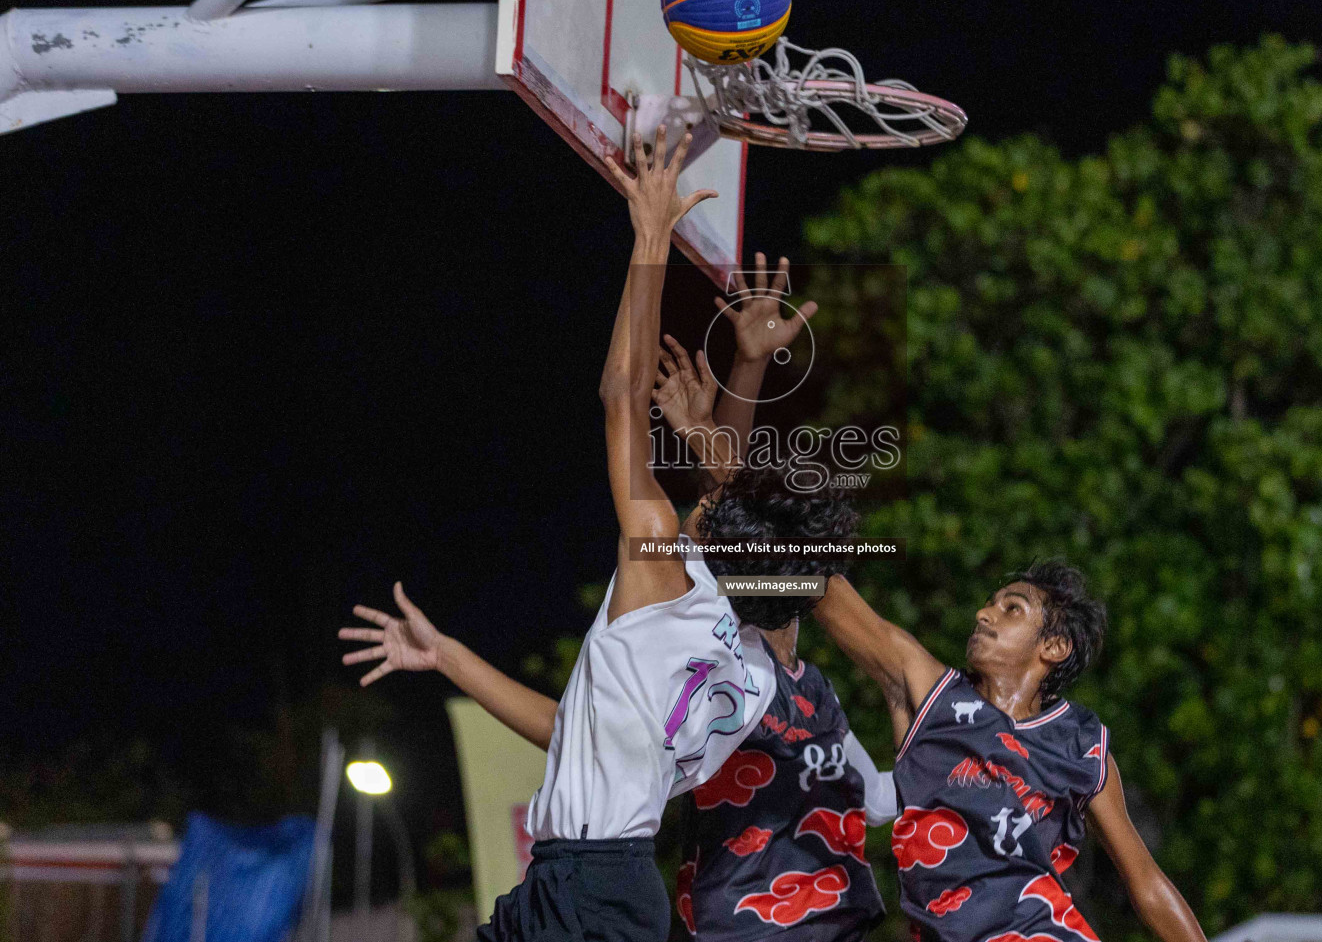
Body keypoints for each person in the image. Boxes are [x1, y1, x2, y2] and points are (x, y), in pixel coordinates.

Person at [339, 126, 857, 942]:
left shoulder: (662, 574)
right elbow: (567, 729)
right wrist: (448, 657)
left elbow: (623, 396)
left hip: (591, 890)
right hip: (588, 886)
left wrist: (650, 237)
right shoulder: (760, 668)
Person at [649, 320, 893, 942]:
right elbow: (739, 516)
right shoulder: (725, 660)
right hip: (741, 926)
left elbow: (881, 801)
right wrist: (736, 389)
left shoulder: (816, 689)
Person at [812, 569, 1207, 942]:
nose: (984, 614)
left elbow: (1147, 883)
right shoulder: (932, 694)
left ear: (1053, 646)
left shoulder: (1081, 746)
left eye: (1011, 608)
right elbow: (825, 593)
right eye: (990, 604)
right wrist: (757, 555)